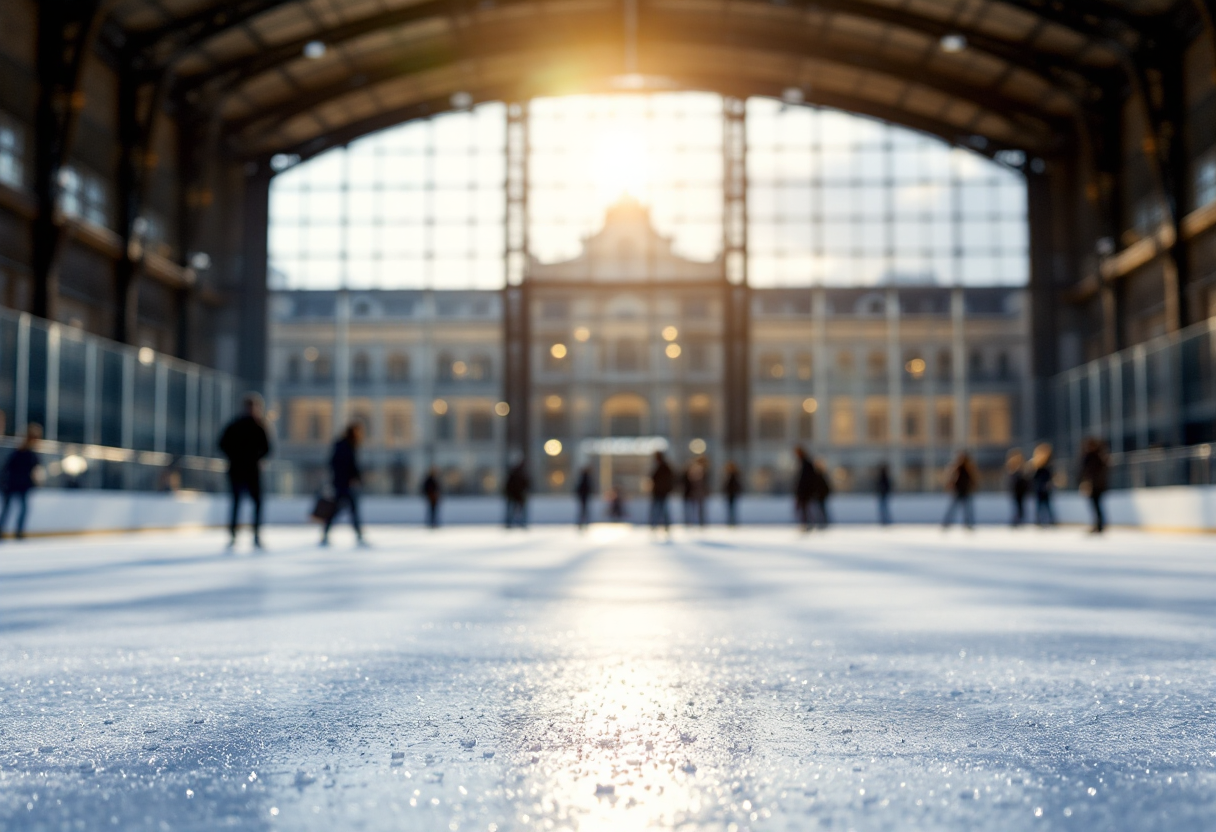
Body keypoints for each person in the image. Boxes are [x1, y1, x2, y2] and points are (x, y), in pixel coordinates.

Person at [218, 394, 271, 549]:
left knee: (254, 503)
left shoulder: (259, 425)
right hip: (240, 470)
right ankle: (235, 534)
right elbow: (222, 444)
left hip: (250, 470)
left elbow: (267, 448)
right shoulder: (237, 425)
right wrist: (235, 457)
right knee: (237, 502)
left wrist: (256, 458)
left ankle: (255, 534)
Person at [321, 422, 365, 546]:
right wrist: (350, 478)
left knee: (347, 510)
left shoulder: (349, 445)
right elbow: (342, 465)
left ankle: (326, 534)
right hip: (343, 485)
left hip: (344, 484)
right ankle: (358, 535)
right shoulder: (344, 446)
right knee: (343, 510)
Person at [0, 424, 42, 541]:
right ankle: (16, 532)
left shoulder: (21, 451)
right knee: (15, 509)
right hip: (15, 484)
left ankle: (15, 532)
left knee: (12, 509)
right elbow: (35, 471)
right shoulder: (27, 453)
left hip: (15, 484)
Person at [1078, 437, 1110, 534]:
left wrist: (1085, 482)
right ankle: (1098, 525)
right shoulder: (1098, 456)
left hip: (1095, 486)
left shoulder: (1093, 456)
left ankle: (1099, 525)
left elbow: (1086, 472)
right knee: (1096, 506)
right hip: (1096, 485)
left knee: (1096, 506)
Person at [941, 451, 979, 529]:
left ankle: (968, 524)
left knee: (967, 509)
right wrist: (950, 485)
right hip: (959, 491)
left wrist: (973, 486)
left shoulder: (968, 468)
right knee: (954, 509)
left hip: (965, 491)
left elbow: (973, 479)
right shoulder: (958, 467)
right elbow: (952, 477)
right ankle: (947, 523)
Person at [649, 451, 675, 532]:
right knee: (660, 509)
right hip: (660, 492)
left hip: (661, 492)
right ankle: (657, 525)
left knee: (659, 509)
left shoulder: (663, 467)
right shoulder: (663, 466)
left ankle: (657, 525)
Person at [1031, 442, 1055, 526]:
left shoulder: (1048, 465)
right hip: (1039, 489)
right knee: (1040, 506)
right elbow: (1034, 478)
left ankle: (1051, 521)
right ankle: (1039, 521)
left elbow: (1050, 476)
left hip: (1045, 489)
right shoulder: (1037, 466)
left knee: (1047, 506)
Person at [794, 446, 817, 532]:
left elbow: (807, 479)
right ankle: (806, 524)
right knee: (804, 509)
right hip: (804, 491)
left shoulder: (806, 464)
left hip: (805, 492)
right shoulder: (803, 463)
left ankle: (808, 524)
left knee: (805, 509)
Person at [1007, 448, 1030, 526]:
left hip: (1021, 491)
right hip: (1015, 491)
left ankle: (1020, 520)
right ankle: (1016, 521)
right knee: (1016, 507)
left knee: (1021, 507)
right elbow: (1011, 481)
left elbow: (1026, 480)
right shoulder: (1012, 468)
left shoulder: (1022, 468)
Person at [504, 460, 530, 528]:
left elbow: (526, 485)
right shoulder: (519, 475)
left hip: (517, 496)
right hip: (516, 496)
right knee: (514, 511)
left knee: (516, 511)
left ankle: (517, 523)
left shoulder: (516, 475)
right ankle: (519, 523)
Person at [683, 459, 707, 527]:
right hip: (692, 494)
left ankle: (700, 522)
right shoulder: (690, 476)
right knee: (692, 509)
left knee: (700, 509)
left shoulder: (703, 475)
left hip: (698, 494)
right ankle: (690, 522)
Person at [811, 459, 832, 529]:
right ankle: (821, 522)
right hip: (819, 496)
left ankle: (823, 522)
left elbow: (825, 487)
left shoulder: (820, 476)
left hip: (820, 496)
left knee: (821, 510)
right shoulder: (819, 475)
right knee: (819, 510)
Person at [722, 462, 743, 527]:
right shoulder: (728, 475)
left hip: (733, 494)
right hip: (729, 494)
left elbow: (737, 485)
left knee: (732, 509)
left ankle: (732, 521)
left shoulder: (734, 476)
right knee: (730, 509)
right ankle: (731, 521)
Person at [575, 465, 594, 529]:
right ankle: (584, 522)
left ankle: (583, 522)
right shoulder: (585, 478)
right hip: (584, 496)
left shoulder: (584, 477)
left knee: (583, 510)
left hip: (583, 496)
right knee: (584, 510)